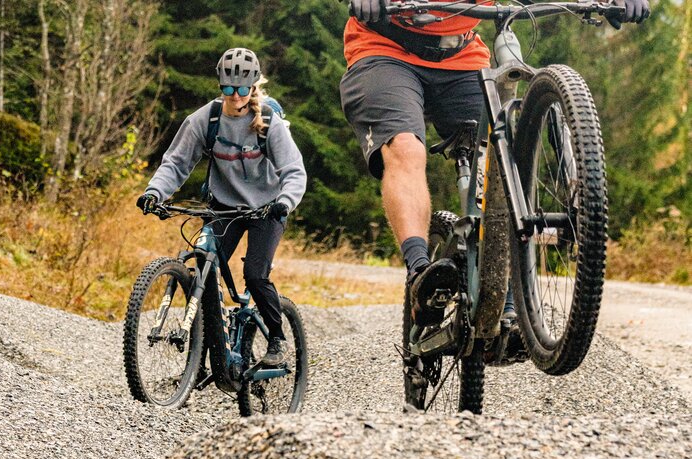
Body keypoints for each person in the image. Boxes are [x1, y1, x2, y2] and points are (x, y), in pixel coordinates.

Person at [339, 0, 649, 328]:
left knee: (501, 157)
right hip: (385, 50)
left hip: (460, 57)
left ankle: (507, 302)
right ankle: (420, 276)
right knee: (405, 149)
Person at [137, 47, 307, 366]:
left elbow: (294, 171)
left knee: (254, 275)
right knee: (204, 268)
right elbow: (176, 162)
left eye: (242, 89)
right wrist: (154, 192)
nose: (236, 96)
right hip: (224, 208)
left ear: (253, 87)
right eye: (228, 89)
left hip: (266, 209)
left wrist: (284, 202)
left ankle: (277, 339)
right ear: (220, 86)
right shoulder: (205, 120)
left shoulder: (268, 121)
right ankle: (202, 356)